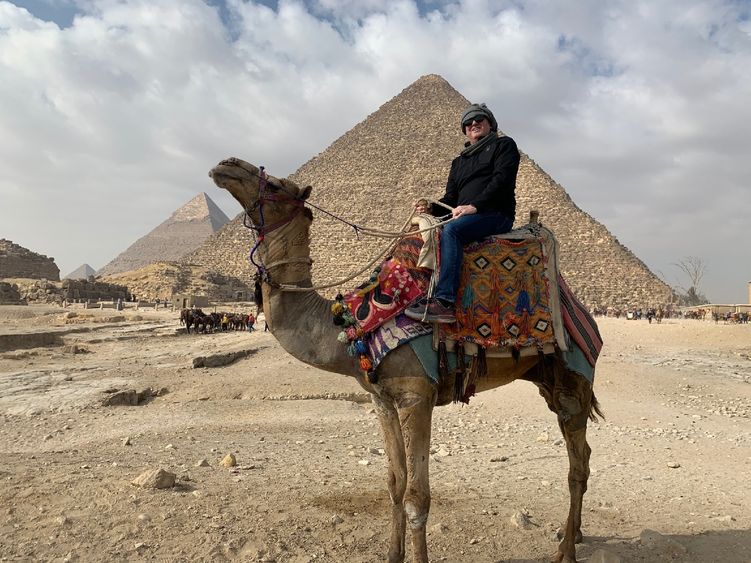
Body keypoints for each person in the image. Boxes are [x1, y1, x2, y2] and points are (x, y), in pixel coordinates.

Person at [405, 103, 520, 323]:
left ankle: (445, 302)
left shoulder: (503, 145)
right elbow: (451, 198)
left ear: (490, 124)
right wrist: (430, 208)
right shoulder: (459, 162)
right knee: (420, 231)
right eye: (468, 122)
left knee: (452, 231)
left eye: (479, 119)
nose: (474, 123)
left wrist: (474, 206)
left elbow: (502, 181)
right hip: (465, 214)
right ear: (464, 129)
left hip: (495, 213)